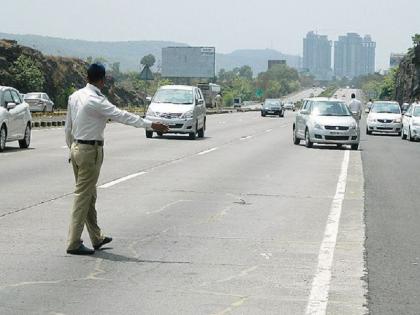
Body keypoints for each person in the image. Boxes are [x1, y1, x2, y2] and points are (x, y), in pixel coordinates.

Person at [64, 63, 168, 255]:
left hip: (77, 149)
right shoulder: (96, 101)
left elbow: (68, 126)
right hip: (90, 151)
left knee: (89, 195)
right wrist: (151, 125)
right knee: (83, 196)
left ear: (87, 77)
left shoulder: (75, 96)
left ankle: (96, 237)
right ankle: (73, 242)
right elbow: (123, 116)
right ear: (102, 80)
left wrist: (71, 148)